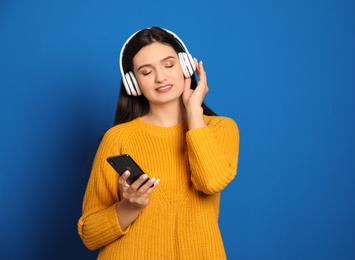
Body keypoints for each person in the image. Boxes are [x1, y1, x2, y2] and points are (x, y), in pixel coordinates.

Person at [78, 27, 239, 259]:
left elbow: (210, 182)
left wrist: (194, 110)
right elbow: (89, 235)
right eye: (146, 72)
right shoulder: (118, 138)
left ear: (185, 66)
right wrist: (130, 205)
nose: (160, 77)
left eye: (169, 65)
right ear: (133, 83)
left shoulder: (220, 128)